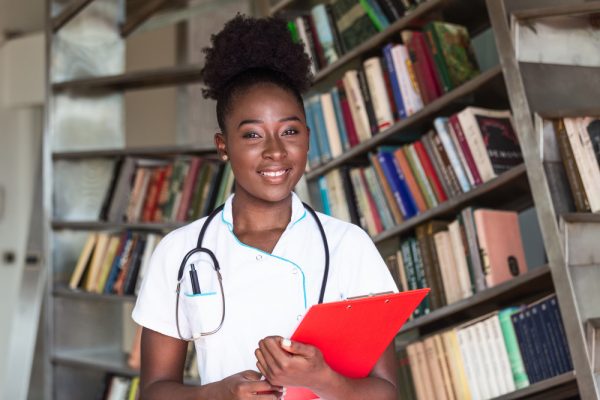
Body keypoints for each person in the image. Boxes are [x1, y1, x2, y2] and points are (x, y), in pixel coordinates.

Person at [132, 14, 398, 400]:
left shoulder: (348, 245)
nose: (275, 151)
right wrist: (218, 395)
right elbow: (153, 392)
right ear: (223, 146)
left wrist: (323, 379)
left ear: (307, 137)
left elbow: (387, 392)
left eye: (289, 131)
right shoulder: (180, 252)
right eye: (253, 135)